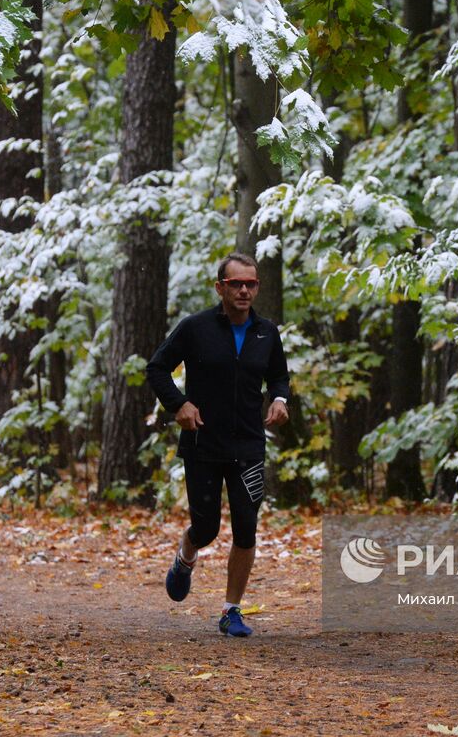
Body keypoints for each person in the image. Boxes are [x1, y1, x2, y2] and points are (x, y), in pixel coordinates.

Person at [145, 252, 291, 637]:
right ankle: (185, 557)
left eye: (251, 284)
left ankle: (231, 610)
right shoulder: (195, 328)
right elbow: (157, 368)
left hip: (249, 447)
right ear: (220, 287)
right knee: (206, 528)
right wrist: (179, 404)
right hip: (203, 443)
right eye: (236, 284)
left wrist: (280, 400)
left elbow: (279, 378)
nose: (244, 291)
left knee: (246, 528)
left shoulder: (266, 333)